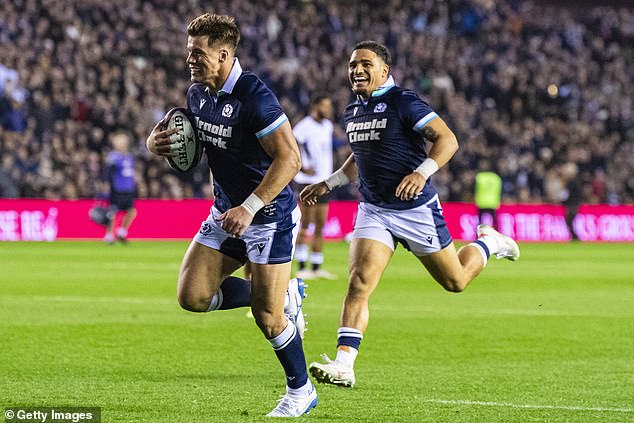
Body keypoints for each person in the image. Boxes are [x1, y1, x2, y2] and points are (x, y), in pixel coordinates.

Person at [300, 41, 520, 388]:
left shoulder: (404, 101)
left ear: (384, 71)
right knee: (359, 283)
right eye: (352, 64)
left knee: (456, 281)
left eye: (365, 64)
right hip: (374, 210)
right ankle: (344, 364)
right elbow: (360, 158)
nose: (356, 70)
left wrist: (422, 172)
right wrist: (329, 183)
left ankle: (488, 243)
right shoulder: (353, 110)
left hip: (415, 209)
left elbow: (448, 139)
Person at [145, 13, 317, 417]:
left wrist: (251, 206)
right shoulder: (197, 94)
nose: (190, 59)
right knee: (193, 296)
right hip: (225, 214)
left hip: (268, 216)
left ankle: (300, 390)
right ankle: (282, 293)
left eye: (197, 53)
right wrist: (157, 142)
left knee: (268, 318)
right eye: (189, 52)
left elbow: (290, 159)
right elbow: (194, 146)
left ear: (223, 55)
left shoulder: (254, 98)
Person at [292, 95, 337, 280]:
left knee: (320, 224)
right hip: (307, 182)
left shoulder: (328, 126)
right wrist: (302, 166)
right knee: (306, 223)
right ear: (315, 106)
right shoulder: (303, 126)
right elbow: (293, 145)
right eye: (325, 106)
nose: (328, 110)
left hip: (324, 181)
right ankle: (302, 266)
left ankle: (316, 266)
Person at [103, 131, 137, 244]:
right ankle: (108, 235)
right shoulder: (113, 157)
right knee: (112, 213)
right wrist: (106, 185)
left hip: (129, 189)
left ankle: (121, 232)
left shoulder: (129, 156)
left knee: (131, 211)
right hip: (117, 189)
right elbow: (107, 172)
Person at [474, 160, 502, 230]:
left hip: (481, 202)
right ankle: (497, 233)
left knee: (480, 221)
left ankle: (478, 235)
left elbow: (475, 189)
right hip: (493, 203)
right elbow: (499, 190)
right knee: (495, 221)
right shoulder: (496, 178)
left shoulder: (479, 177)